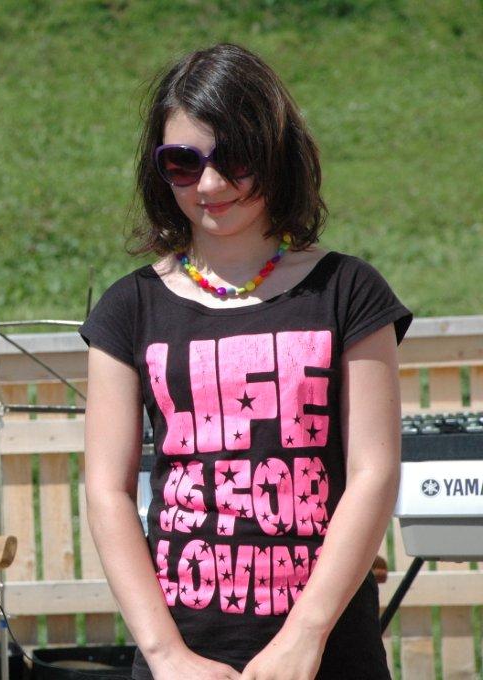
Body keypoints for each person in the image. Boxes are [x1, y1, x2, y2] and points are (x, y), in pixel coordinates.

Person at [80, 44, 411, 680]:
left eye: (234, 159)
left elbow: (374, 472)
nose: (209, 185)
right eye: (183, 162)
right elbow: (106, 491)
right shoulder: (128, 308)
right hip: (181, 655)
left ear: (276, 154)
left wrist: (305, 638)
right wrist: (167, 656)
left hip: (329, 652)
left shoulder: (349, 291)